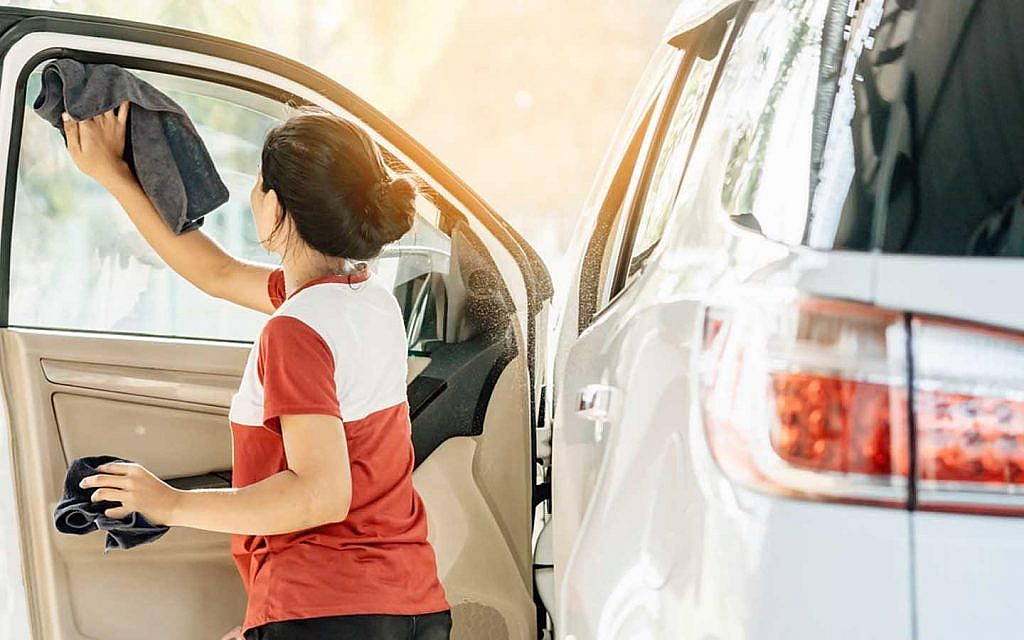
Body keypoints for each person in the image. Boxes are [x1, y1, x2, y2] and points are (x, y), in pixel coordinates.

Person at [63, 100, 451, 640]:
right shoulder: (368, 300)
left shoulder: (296, 331)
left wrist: (169, 503)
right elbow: (215, 271)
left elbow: (321, 495)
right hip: (409, 606)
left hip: (325, 612)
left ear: (275, 206)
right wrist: (114, 174)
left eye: (257, 182)